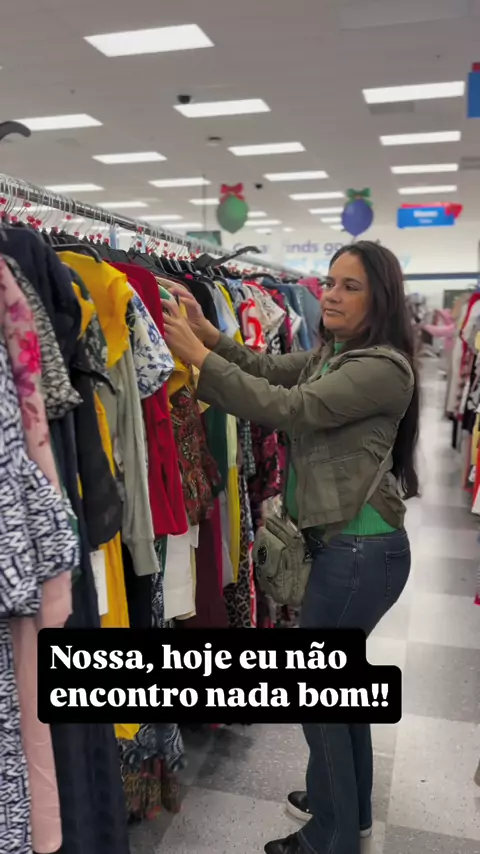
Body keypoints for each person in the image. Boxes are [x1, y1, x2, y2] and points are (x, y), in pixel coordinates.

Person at [161, 241, 418, 854]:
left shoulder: (383, 367)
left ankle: (330, 835)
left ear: (381, 298)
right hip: (350, 550)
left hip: (359, 554)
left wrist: (198, 357)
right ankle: (346, 806)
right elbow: (270, 369)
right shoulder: (337, 354)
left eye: (350, 286)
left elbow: (290, 408)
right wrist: (211, 337)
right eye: (329, 282)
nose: (331, 295)